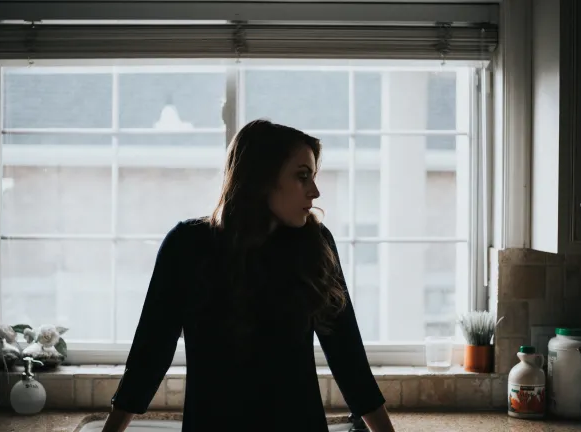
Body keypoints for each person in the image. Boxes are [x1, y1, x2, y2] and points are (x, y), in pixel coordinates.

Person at [102, 120, 395, 432]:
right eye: (302, 176)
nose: (315, 191)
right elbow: (151, 351)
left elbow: (347, 354)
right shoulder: (188, 246)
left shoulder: (314, 243)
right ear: (262, 179)